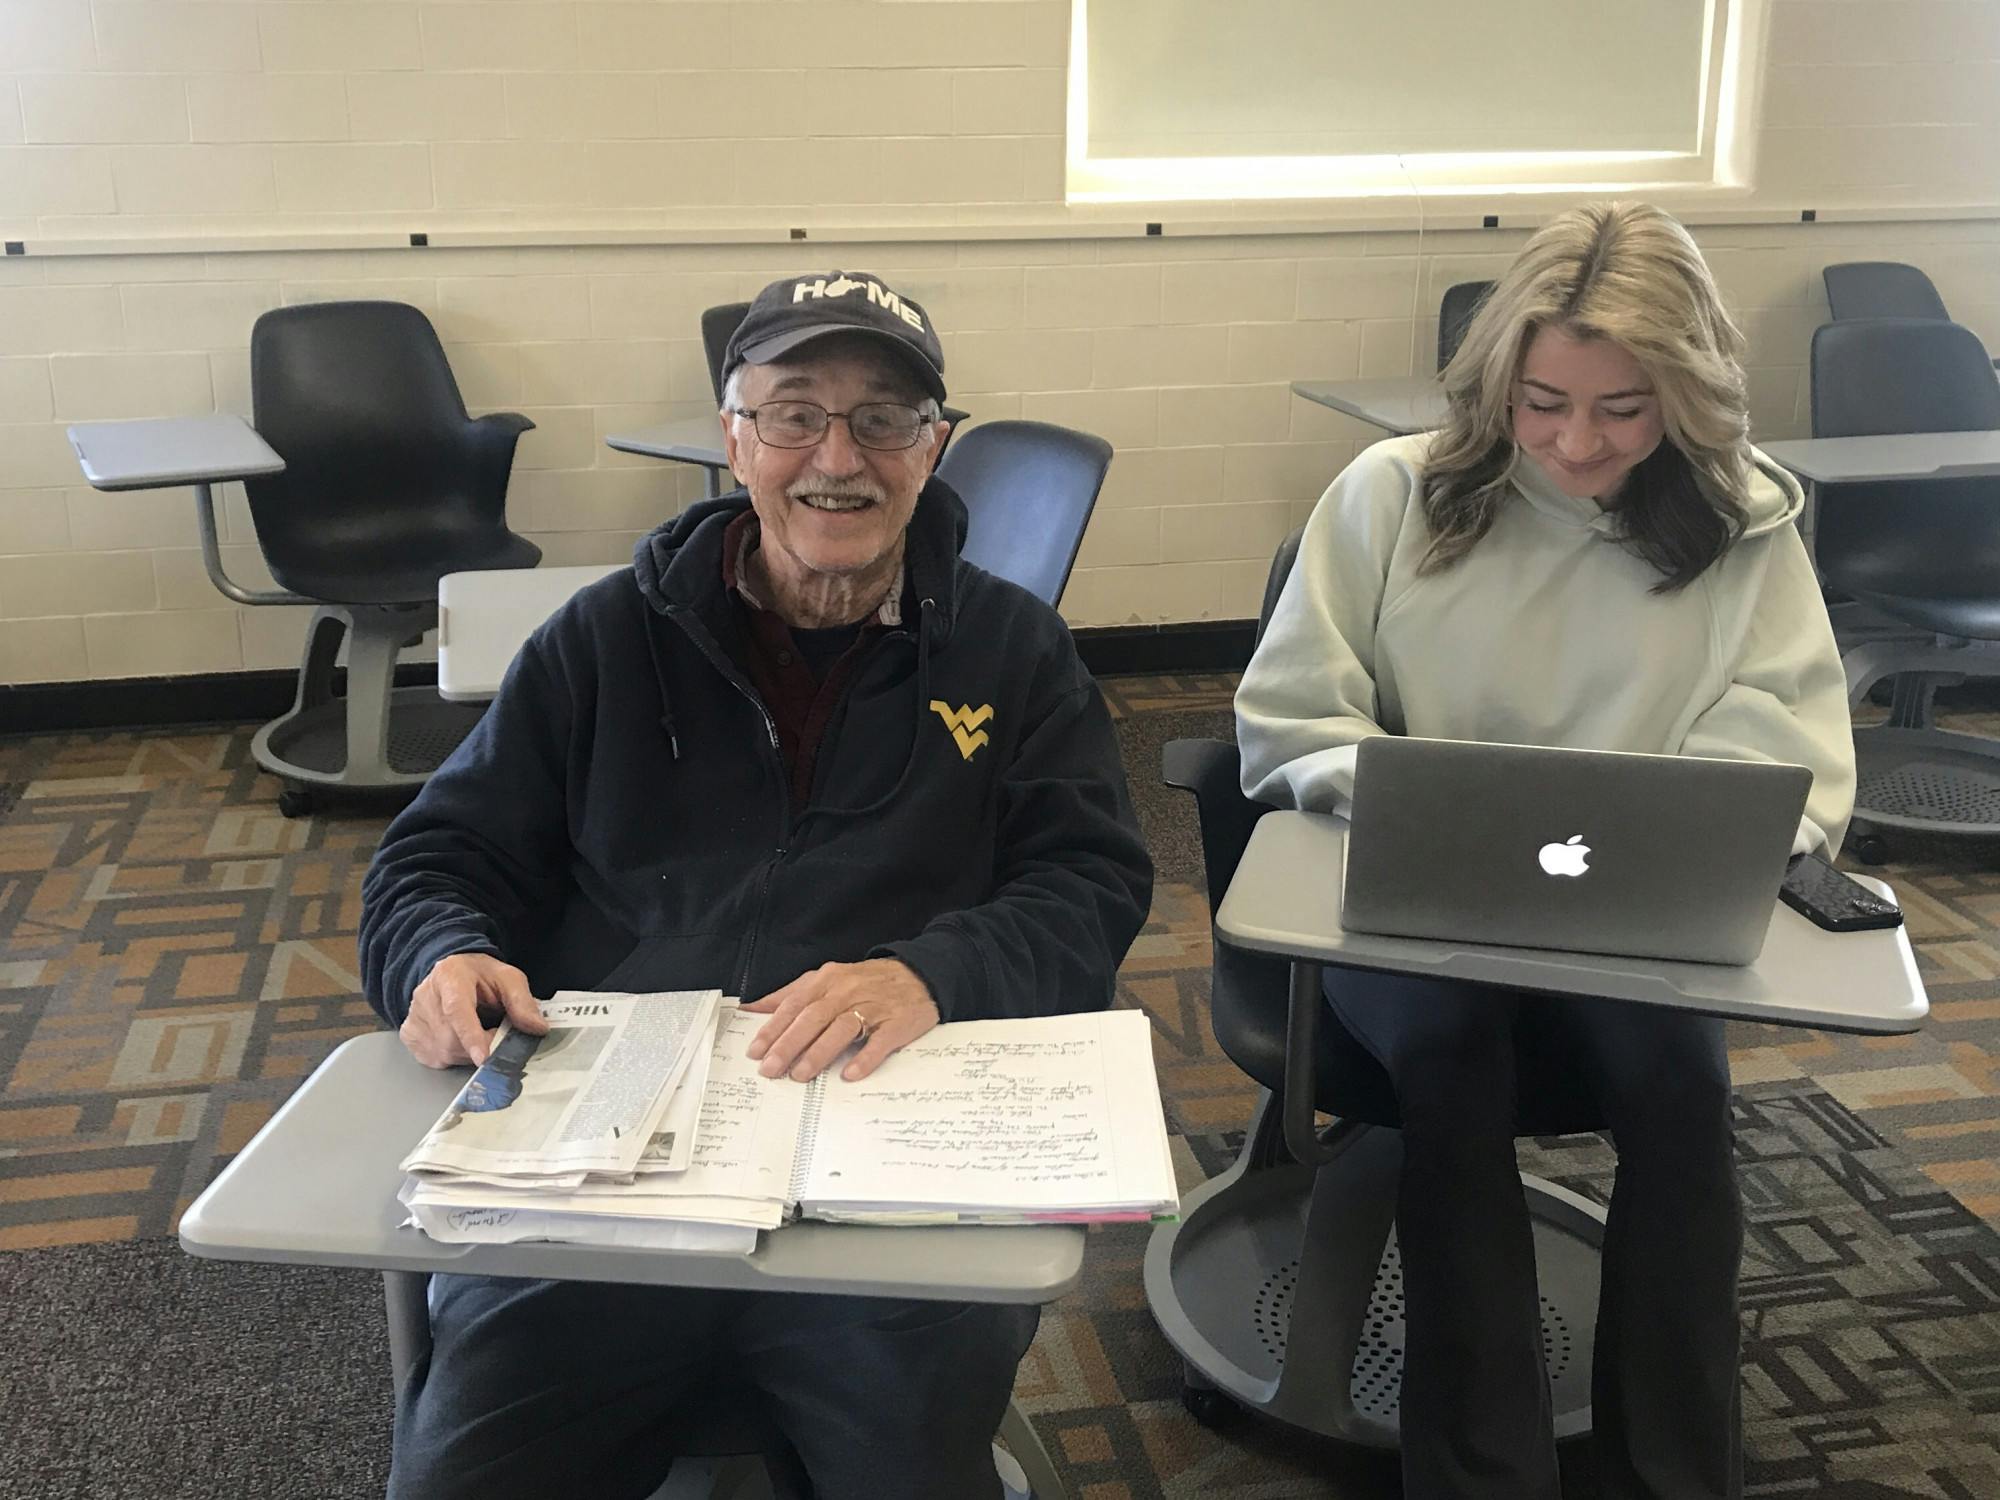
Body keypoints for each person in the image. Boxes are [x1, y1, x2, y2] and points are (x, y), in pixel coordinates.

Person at [358, 268, 1154, 1500]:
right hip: (599, 1174)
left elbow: (1090, 880)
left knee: (911, 1469)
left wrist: (935, 971)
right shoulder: (604, 636)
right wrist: (439, 954)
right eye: (793, 413)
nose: (836, 456)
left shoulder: (1011, 650)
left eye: (882, 419)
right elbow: (436, 854)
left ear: (932, 448)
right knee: (466, 1476)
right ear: (734, 440)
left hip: (883, 1157)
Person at [1234, 202, 1855, 1500]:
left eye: (1625, 409)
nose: (1578, 445)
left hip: (1635, 920)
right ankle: (1480, 1474)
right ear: (1496, 381)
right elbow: (1295, 713)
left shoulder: (1742, 526)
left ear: (1687, 391)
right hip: (1415, 908)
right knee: (1452, 1071)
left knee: (1683, 1096)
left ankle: (1672, 1473)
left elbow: (1785, 759)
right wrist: (1397, 795)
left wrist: (1690, 835)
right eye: (1544, 402)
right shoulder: (1397, 493)